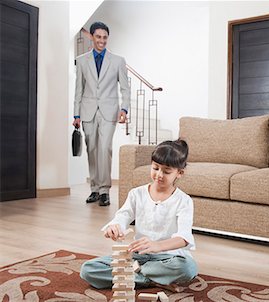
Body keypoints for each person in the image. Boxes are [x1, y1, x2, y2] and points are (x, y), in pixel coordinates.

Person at [80, 139, 198, 289]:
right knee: (88, 269)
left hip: (169, 257)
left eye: (167, 171)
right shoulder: (137, 194)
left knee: (188, 268)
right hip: (138, 256)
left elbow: (184, 238)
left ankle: (134, 276)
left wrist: (157, 246)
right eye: (155, 168)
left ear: (179, 173)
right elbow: (123, 215)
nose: (159, 175)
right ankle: (151, 278)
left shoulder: (184, 201)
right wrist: (115, 227)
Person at [73, 21, 131, 206]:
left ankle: (105, 190)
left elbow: (125, 88)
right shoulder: (82, 60)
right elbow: (79, 90)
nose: (102, 40)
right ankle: (94, 189)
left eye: (105, 37)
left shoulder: (118, 61)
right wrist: (76, 115)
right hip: (87, 111)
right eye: (98, 37)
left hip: (109, 110)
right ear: (91, 37)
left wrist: (124, 109)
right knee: (92, 149)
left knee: (105, 148)